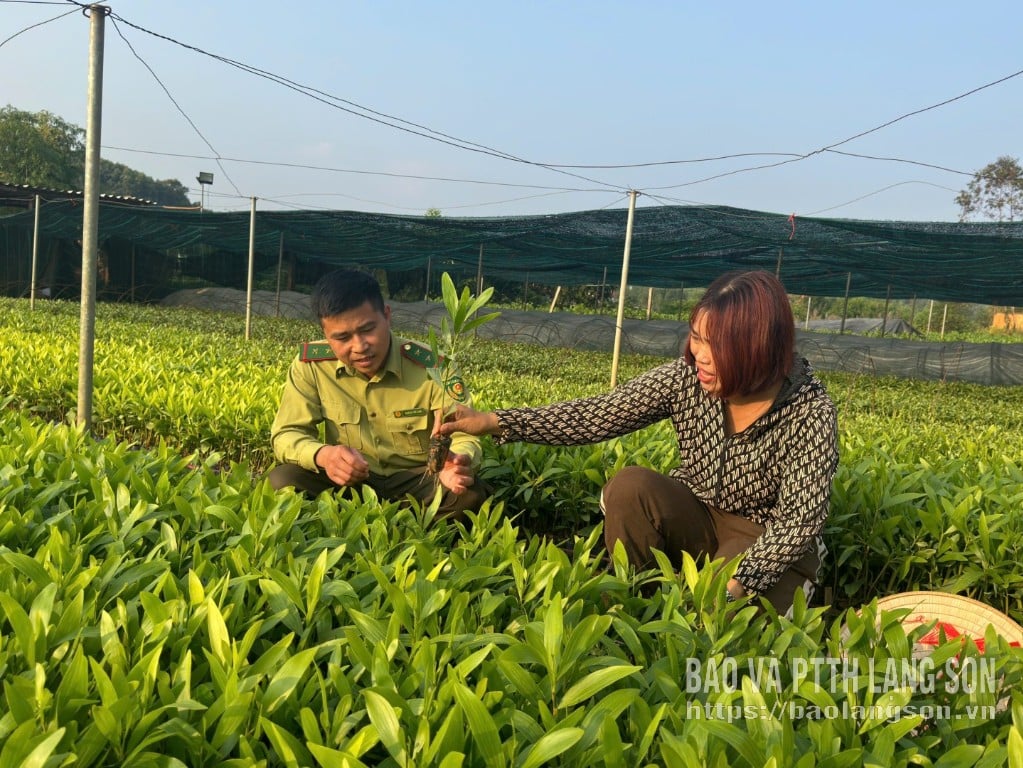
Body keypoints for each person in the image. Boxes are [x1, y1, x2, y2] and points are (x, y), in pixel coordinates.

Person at [437, 269, 839, 613]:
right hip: (695, 511)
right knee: (630, 486)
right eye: (697, 337)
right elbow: (596, 416)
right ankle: (630, 605)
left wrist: (735, 587)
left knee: (719, 616)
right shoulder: (686, 380)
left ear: (756, 348)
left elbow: (797, 523)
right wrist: (494, 421)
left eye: (717, 345)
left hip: (760, 535)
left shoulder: (809, 412)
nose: (699, 354)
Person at [268, 268, 487, 520]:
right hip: (348, 483)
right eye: (342, 337)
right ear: (326, 335)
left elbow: (463, 433)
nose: (360, 347)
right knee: (281, 480)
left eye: (368, 329)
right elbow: (287, 433)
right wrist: (323, 455)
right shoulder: (311, 365)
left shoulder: (436, 367)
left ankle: (408, 537)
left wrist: (456, 462)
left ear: (386, 316)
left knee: (467, 495)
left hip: (420, 480)